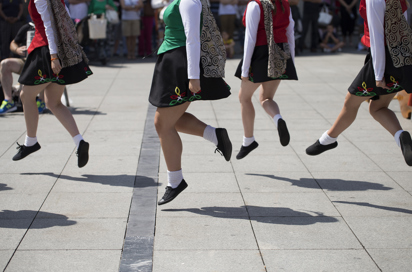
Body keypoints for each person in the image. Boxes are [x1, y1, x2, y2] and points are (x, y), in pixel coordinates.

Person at [306, 0, 412, 167]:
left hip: (384, 59)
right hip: (402, 59)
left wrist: (378, 75)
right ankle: (400, 137)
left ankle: (328, 139)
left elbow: (377, 37)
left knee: (350, 102)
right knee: (377, 107)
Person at [149, 0, 232, 205]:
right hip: (171, 59)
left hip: (181, 62)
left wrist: (193, 76)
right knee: (170, 120)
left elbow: (193, 38)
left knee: (162, 123)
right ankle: (215, 135)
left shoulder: (188, 1)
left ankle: (175, 181)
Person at [14, 0, 93, 168]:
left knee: (25, 95)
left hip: (46, 50)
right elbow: (65, 19)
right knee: (53, 103)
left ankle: (31, 141)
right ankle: (79, 142)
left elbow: (49, 26)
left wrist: (53, 56)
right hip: (56, 50)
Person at [234, 0, 297, 159]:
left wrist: (245, 68)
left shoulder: (255, 5)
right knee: (267, 98)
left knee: (244, 97)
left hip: (260, 54)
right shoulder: (285, 4)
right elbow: (290, 33)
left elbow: (250, 38)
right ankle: (278, 119)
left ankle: (248, 140)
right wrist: (291, 62)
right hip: (281, 53)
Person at [0, 22, 46, 114]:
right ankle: (9, 101)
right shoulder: (28, 27)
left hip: (45, 62)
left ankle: (41, 101)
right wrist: (17, 49)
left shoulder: (50, 25)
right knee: (5, 63)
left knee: (45, 63)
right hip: (27, 61)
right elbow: (14, 43)